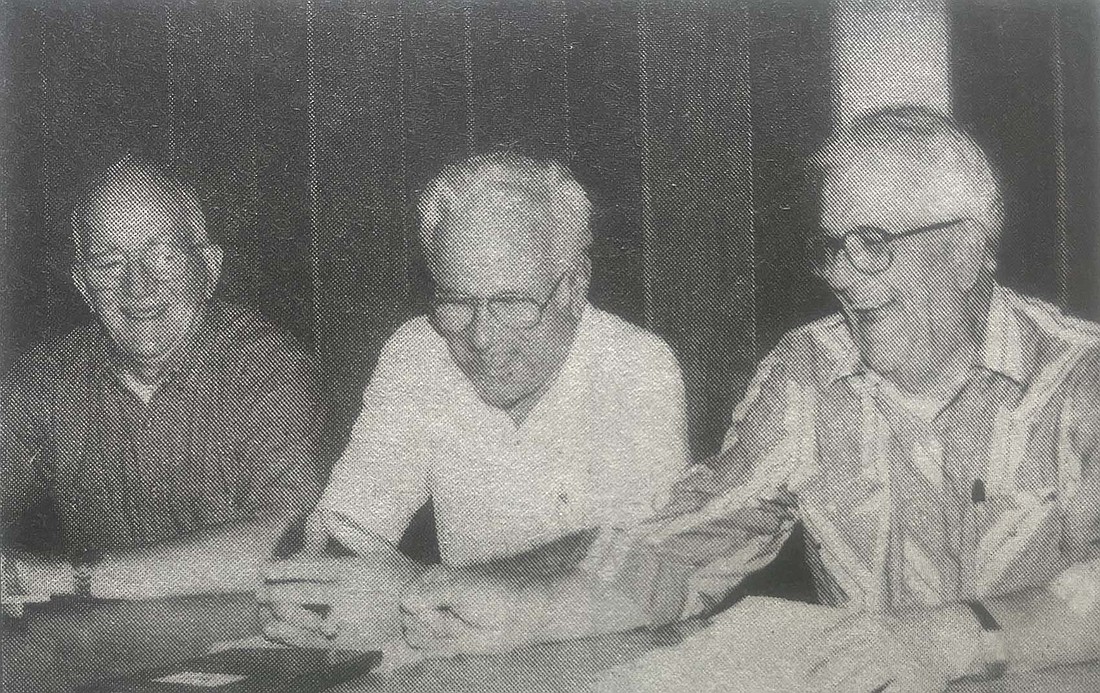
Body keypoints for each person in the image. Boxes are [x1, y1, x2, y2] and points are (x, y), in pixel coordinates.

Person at [400, 107, 1100, 689]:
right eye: (832, 247)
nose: (845, 278)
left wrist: (952, 638)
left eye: (873, 243)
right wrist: (530, 613)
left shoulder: (1082, 375)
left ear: (964, 250)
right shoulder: (808, 371)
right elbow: (687, 545)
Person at [262, 152, 688, 652]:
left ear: (574, 284)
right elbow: (347, 530)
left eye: (512, 304)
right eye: (457, 303)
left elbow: (636, 557)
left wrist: (420, 587)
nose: (482, 336)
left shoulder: (637, 365)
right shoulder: (418, 351)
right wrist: (316, 595)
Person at [0, 154, 323, 601]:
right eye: (109, 264)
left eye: (161, 255)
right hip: (102, 652)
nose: (138, 285)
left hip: (252, 647)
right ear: (83, 287)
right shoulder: (48, 381)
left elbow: (283, 541)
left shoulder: (267, 368)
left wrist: (63, 578)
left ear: (209, 270)